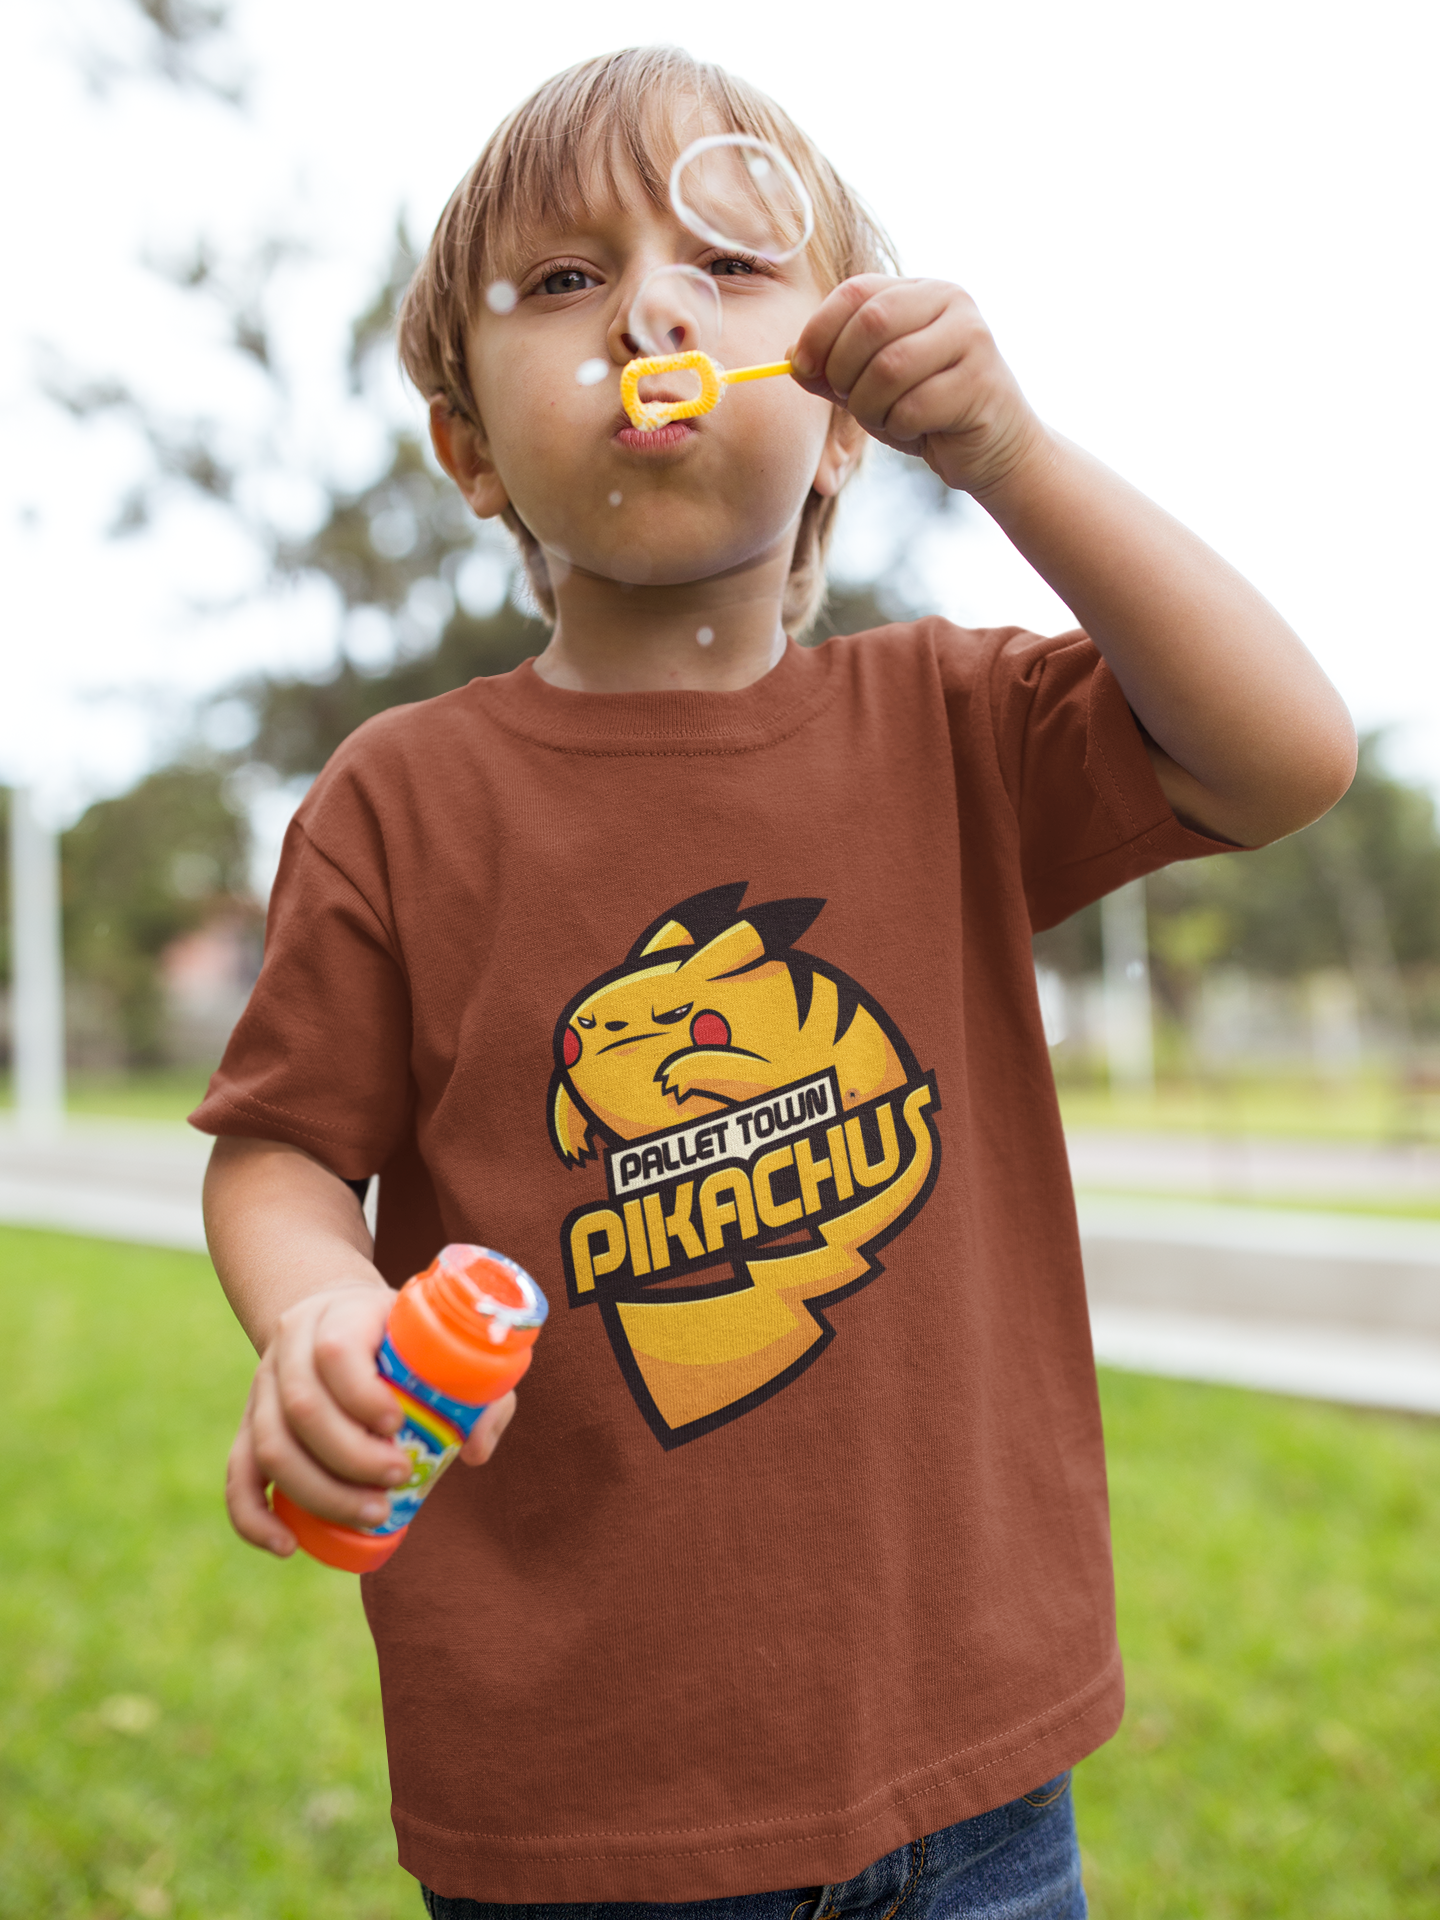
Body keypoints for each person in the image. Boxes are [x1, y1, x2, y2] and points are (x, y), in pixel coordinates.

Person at [193, 45, 1356, 1920]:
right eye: (565, 280)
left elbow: (1283, 757)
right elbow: (280, 1151)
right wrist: (323, 1311)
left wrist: (1014, 455)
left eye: (729, 266)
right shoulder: (400, 801)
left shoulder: (954, 725)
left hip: (978, 1780)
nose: (652, 309)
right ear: (470, 448)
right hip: (582, 1806)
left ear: (839, 417)